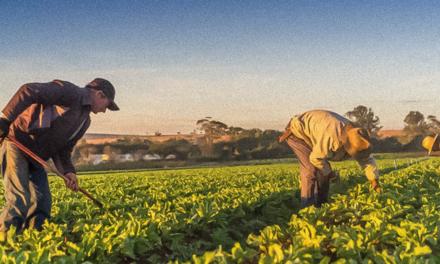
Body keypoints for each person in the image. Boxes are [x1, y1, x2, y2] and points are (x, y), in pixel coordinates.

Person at [0, 78, 119, 232]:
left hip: (38, 156)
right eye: (107, 105)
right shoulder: (70, 92)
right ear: (100, 94)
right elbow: (28, 90)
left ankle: (34, 239)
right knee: (20, 198)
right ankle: (5, 240)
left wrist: (68, 171)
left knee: (42, 202)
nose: (104, 110)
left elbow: (64, 149)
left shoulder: (85, 121)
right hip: (18, 143)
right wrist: (4, 120)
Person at [279, 110, 381, 208]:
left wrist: (374, 182)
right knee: (310, 169)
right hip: (297, 133)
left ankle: (321, 204)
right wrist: (330, 173)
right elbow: (316, 158)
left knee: (323, 172)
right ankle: (307, 207)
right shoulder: (331, 136)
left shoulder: (358, 136)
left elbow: (367, 160)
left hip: (315, 135)